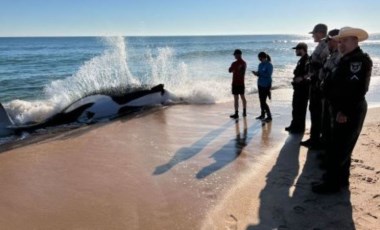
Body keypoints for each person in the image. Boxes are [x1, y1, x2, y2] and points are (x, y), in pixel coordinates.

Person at [312, 27, 372, 194]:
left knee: (338, 148)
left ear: (355, 41)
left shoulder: (358, 61)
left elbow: (356, 90)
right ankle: (340, 180)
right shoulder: (347, 59)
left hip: (348, 110)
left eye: (345, 40)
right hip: (340, 108)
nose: (341, 44)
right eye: (339, 41)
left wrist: (343, 111)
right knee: (341, 146)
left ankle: (331, 184)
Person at [300, 23, 330, 149]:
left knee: (318, 113)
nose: (313, 36)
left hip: (319, 85)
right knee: (314, 112)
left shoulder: (326, 46)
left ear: (320, 33)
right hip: (315, 83)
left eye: (314, 33)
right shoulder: (321, 45)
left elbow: (324, 66)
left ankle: (317, 141)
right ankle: (314, 138)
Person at [319, 29, 341, 148]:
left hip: (334, 96)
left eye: (329, 40)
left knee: (333, 126)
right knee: (326, 123)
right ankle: (326, 150)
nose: (327, 43)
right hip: (327, 94)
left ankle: (330, 154)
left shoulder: (340, 56)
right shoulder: (331, 54)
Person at [285, 42, 310, 133]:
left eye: (297, 49)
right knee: (295, 107)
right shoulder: (301, 60)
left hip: (303, 89)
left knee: (300, 108)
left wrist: (301, 78)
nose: (295, 51)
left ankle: (299, 128)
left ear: (302, 50)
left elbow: (310, 72)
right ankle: (294, 125)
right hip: (298, 88)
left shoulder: (307, 59)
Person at [252, 52, 273, 122]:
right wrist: (256, 73)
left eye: (259, 57)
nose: (258, 59)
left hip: (266, 84)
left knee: (263, 101)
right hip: (260, 84)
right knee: (261, 100)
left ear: (262, 57)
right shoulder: (260, 65)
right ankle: (262, 114)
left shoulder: (269, 65)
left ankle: (269, 116)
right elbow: (259, 73)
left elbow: (268, 75)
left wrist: (260, 74)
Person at [229, 49, 247, 119]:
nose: (234, 56)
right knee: (238, 98)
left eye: (235, 55)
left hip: (239, 83)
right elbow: (229, 70)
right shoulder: (240, 63)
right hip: (237, 82)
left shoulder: (241, 63)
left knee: (240, 97)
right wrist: (235, 69)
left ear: (239, 54)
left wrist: (235, 69)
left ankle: (241, 112)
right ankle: (239, 113)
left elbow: (242, 73)